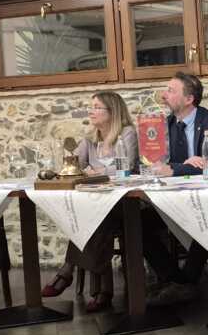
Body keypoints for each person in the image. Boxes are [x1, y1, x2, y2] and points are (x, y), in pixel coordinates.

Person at [40, 91, 139, 312]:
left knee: (94, 218)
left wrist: (97, 171)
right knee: (92, 217)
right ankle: (101, 292)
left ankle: (69, 273)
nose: (91, 112)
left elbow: (128, 166)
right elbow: (73, 166)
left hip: (125, 203)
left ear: (112, 111)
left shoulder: (126, 133)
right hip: (99, 204)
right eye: (90, 107)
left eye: (96, 107)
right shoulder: (90, 139)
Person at [144, 72, 208, 284]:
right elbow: (154, 165)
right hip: (172, 199)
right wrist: (185, 165)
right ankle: (173, 278)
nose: (163, 95)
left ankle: (187, 281)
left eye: (170, 91)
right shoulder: (164, 124)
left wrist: (174, 169)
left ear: (189, 98)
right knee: (137, 223)